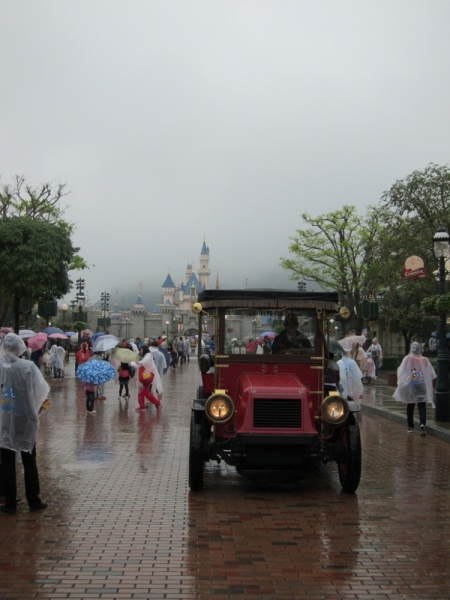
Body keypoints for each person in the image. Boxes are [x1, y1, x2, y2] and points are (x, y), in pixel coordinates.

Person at [0, 333, 50, 514]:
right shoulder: (28, 367)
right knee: (29, 459)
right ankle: (33, 499)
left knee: (7, 462)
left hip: (4, 421)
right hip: (25, 419)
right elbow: (41, 391)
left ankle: (10, 502)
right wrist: (38, 408)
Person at [394, 341, 436, 435]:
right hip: (421, 383)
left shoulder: (408, 358)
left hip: (412, 383)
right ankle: (422, 424)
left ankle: (410, 426)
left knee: (410, 404)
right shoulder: (425, 360)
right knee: (422, 405)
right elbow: (431, 373)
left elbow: (401, 370)